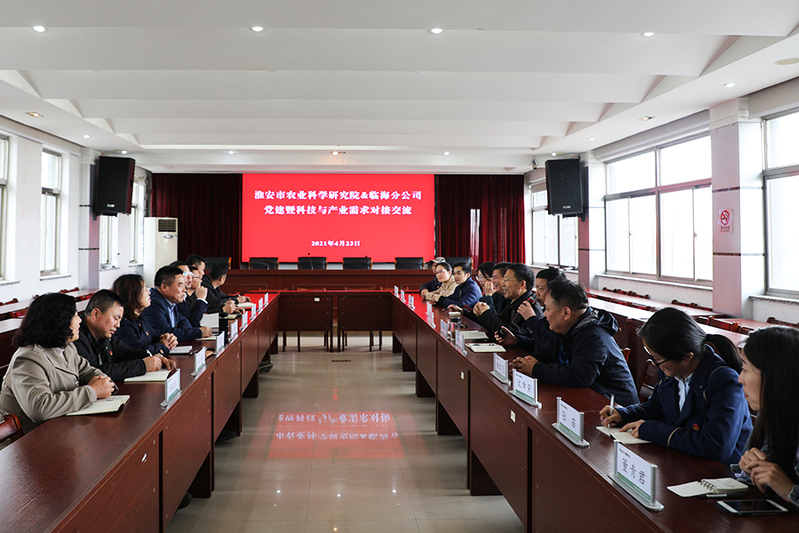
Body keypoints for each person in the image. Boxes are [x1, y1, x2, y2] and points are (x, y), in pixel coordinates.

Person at [599, 307, 752, 465]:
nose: (655, 364)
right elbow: (657, 407)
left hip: (718, 471)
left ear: (687, 357)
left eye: (658, 359)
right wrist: (624, 415)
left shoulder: (724, 381)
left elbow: (716, 445)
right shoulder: (671, 371)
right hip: (681, 459)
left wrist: (652, 430)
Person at [510, 278, 638, 406]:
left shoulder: (593, 336)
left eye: (547, 309)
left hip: (615, 407)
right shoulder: (564, 327)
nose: (544, 314)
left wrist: (535, 369)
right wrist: (526, 362)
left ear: (566, 312)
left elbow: (579, 376)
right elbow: (548, 352)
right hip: (586, 398)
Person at [0, 293, 115, 433]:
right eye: (75, 315)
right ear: (59, 321)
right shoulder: (28, 359)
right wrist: (92, 392)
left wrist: (103, 382)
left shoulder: (67, 347)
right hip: (29, 439)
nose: (79, 320)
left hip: (61, 427)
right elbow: (40, 408)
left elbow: (87, 370)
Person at [735, 326, 799, 507]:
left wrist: (789, 490)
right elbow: (759, 479)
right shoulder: (772, 412)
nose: (740, 379)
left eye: (745, 369)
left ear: (774, 377)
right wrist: (749, 469)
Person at [73, 290, 176, 382]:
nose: (118, 325)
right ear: (96, 314)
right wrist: (143, 366)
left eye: (120, 320)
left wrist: (155, 356)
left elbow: (126, 352)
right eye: (115, 318)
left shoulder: (104, 335)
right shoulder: (76, 337)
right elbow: (94, 373)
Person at [495, 267, 565, 354]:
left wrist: (531, 319)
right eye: (536, 288)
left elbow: (550, 346)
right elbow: (537, 344)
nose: (536, 293)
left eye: (540, 289)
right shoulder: (542, 309)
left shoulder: (536, 309)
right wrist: (516, 340)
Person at [141, 266, 213, 343]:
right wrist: (198, 332)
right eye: (180, 285)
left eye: (184, 285)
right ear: (164, 287)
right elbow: (166, 333)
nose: (184, 290)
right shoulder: (153, 303)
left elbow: (182, 320)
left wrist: (190, 331)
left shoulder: (170, 300)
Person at [113, 274, 178, 355]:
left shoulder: (139, 318)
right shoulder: (123, 325)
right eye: (144, 289)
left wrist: (169, 339)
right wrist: (162, 345)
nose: (149, 292)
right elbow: (141, 351)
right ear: (133, 294)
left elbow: (155, 336)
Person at [470, 263, 533, 334]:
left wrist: (486, 312)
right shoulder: (513, 302)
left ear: (522, 284)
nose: (503, 284)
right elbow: (499, 323)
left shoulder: (528, 306)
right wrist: (481, 312)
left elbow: (506, 333)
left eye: (506, 280)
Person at [172, 261, 209, 326]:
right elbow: (192, 322)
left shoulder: (185, 296)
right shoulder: (175, 297)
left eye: (190, 273)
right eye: (185, 273)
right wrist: (201, 299)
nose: (189, 277)